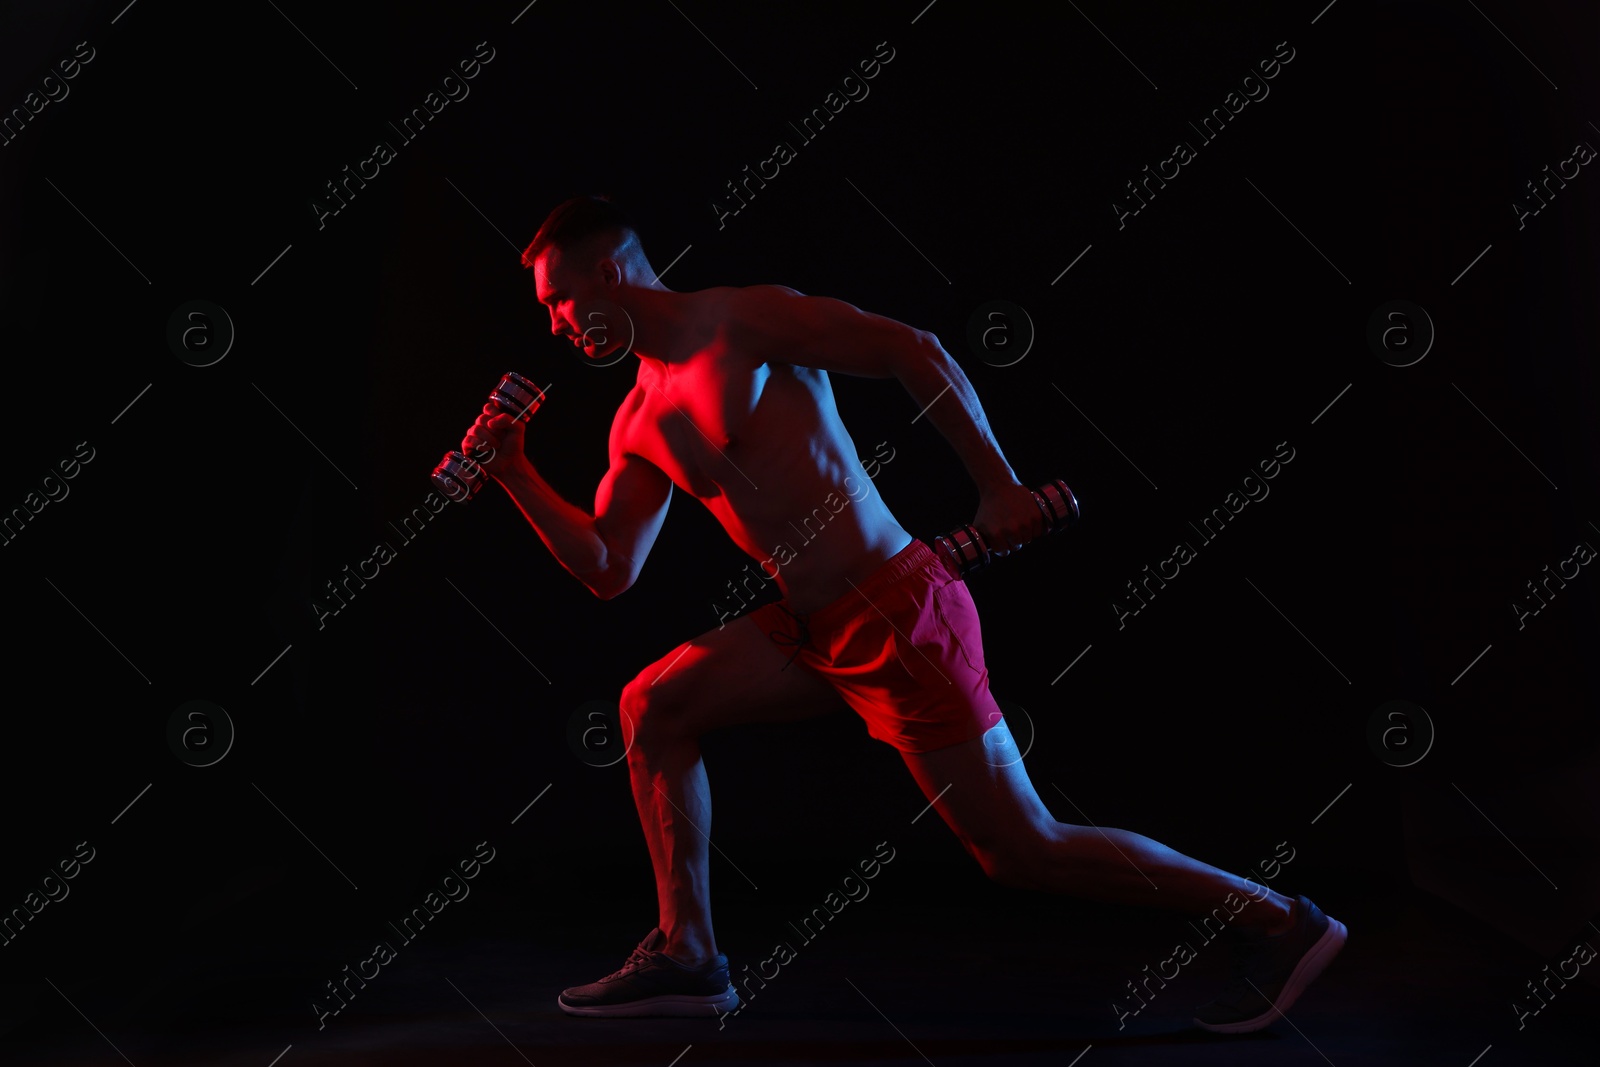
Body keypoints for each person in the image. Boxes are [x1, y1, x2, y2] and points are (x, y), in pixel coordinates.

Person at [460, 195, 1346, 1032]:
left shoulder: (742, 321)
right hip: (805, 630)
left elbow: (910, 347)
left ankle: (1284, 920)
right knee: (652, 706)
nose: (555, 325)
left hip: (897, 611)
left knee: (1020, 849)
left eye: (561, 301)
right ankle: (690, 954)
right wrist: (516, 475)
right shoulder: (637, 418)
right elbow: (610, 568)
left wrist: (995, 483)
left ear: (612, 274)